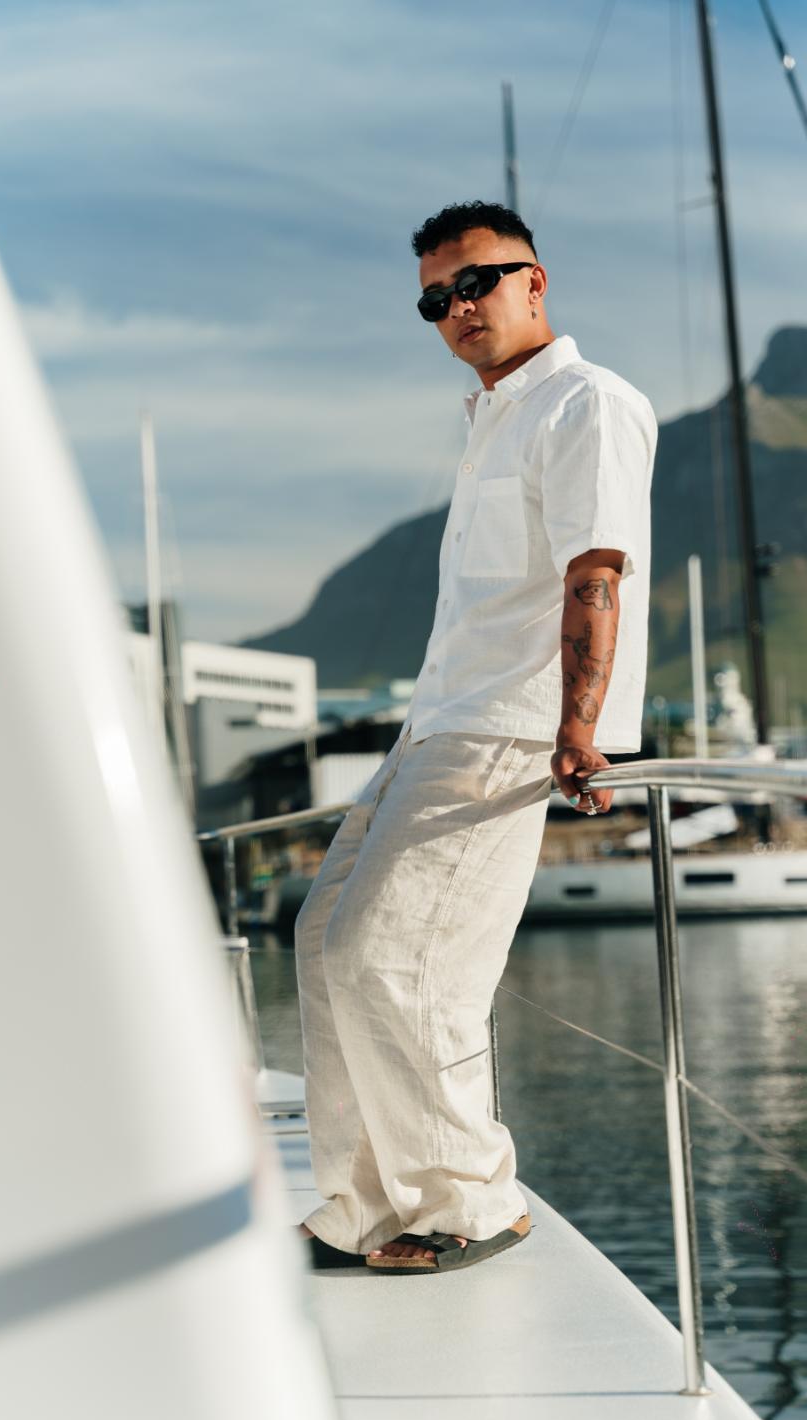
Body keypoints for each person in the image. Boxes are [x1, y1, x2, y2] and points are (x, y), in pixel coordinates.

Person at [295, 200, 656, 1274]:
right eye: (434, 300)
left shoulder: (587, 403)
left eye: (475, 283)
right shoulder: (493, 417)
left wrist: (579, 726)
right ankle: (366, 1204)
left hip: (504, 729)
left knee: (396, 958)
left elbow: (596, 570)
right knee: (323, 941)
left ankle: (469, 1196)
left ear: (534, 281)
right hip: (436, 724)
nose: (456, 309)